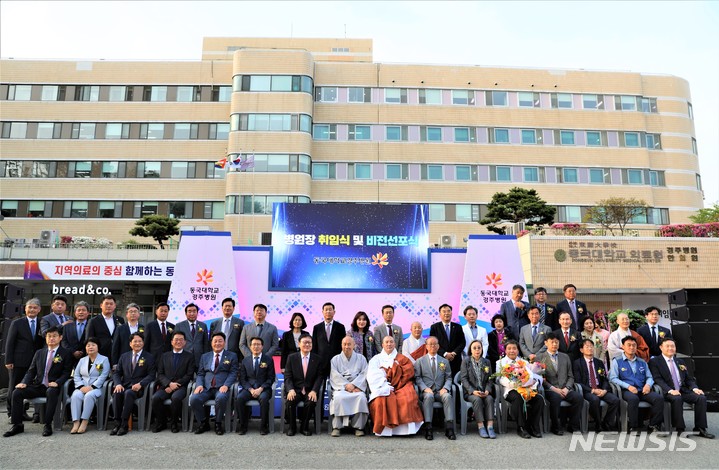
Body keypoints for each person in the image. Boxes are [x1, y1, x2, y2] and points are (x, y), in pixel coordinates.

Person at [3, 326, 73, 437]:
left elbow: (66, 373)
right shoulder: (39, 353)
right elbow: (31, 371)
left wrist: (58, 382)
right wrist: (24, 382)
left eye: (54, 336)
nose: (51, 338)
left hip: (54, 386)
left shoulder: (66, 353)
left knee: (51, 391)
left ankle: (48, 424)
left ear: (60, 337)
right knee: (17, 392)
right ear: (45, 338)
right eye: (49, 336)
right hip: (39, 385)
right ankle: (17, 425)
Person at [648, 338, 714, 438]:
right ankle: (680, 428)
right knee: (677, 398)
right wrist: (670, 390)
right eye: (667, 346)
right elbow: (657, 379)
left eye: (673, 346)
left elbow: (688, 379)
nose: (670, 348)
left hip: (682, 390)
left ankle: (700, 428)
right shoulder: (655, 362)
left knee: (701, 398)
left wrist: (694, 388)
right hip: (667, 391)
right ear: (661, 347)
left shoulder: (680, 361)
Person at [367, 335, 424, 437]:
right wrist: (385, 383)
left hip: (401, 384)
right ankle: (385, 430)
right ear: (382, 344)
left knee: (408, 398)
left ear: (395, 344)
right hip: (383, 385)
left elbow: (408, 372)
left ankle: (407, 430)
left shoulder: (402, 358)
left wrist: (395, 376)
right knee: (381, 400)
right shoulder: (376, 359)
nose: (389, 344)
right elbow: (372, 375)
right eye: (387, 342)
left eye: (391, 342)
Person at [609, 335, 663, 434]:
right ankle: (633, 426)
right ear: (623, 347)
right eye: (628, 345)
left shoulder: (642, 362)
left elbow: (649, 377)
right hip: (627, 390)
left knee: (658, 398)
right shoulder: (617, 361)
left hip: (642, 389)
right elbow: (613, 378)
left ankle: (653, 425)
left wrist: (648, 385)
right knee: (633, 399)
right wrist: (628, 386)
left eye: (634, 345)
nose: (631, 347)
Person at [190, 332, 239, 435]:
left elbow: (233, 372)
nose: (217, 343)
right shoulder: (205, 356)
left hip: (222, 387)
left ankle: (218, 423)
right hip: (206, 388)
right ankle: (203, 423)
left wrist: (226, 385)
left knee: (221, 398)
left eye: (220, 341)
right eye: (215, 341)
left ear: (224, 343)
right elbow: (200, 373)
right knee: (194, 399)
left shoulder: (232, 356)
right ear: (211, 343)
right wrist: (199, 385)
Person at [4, 298, 44, 420]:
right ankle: (12, 413)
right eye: (29, 307)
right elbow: (10, 343)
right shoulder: (17, 323)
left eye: (35, 307)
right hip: (18, 361)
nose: (32, 310)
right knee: (14, 387)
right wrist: (8, 360)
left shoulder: (42, 322)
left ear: (39, 310)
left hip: (35, 362)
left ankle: (24, 412)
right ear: (25, 309)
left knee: (30, 387)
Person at [495, 340, 544, 439]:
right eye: (509, 349)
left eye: (514, 348)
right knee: (518, 398)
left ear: (518, 350)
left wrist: (533, 382)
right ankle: (521, 427)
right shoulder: (500, 362)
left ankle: (533, 426)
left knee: (539, 399)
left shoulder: (524, 362)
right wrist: (515, 384)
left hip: (526, 389)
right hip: (510, 390)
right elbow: (499, 379)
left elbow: (532, 375)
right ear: (505, 350)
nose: (512, 351)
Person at [110, 332, 156, 436]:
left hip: (139, 389)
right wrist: (118, 384)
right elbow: (117, 372)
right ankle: (117, 423)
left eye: (140, 341)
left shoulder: (149, 357)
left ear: (143, 343)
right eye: (135, 341)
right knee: (117, 393)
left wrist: (141, 383)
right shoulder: (124, 356)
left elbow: (151, 375)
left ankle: (124, 424)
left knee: (129, 393)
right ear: (130, 343)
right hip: (125, 385)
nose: (137, 343)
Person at [537, 332, 582, 435]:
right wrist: (554, 389)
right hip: (550, 390)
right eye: (552, 342)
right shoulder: (539, 358)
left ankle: (573, 425)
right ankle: (556, 426)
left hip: (565, 389)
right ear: (546, 343)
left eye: (556, 342)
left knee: (578, 398)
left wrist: (567, 388)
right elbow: (541, 379)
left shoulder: (565, 357)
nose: (554, 345)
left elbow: (571, 376)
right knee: (555, 398)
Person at [151, 331, 195, 433]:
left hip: (181, 386)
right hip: (166, 386)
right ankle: (161, 422)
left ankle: (174, 423)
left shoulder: (189, 356)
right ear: (171, 342)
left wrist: (175, 385)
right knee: (156, 398)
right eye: (176, 339)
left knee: (176, 398)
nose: (178, 342)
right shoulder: (164, 356)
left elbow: (189, 375)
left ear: (185, 342)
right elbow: (160, 373)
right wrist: (169, 384)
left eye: (181, 340)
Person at [573, 338, 619, 432]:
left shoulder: (599, 362)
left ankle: (606, 422)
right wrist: (592, 390)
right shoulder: (577, 363)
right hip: (588, 390)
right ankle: (598, 424)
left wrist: (605, 390)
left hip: (600, 388)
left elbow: (604, 379)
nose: (590, 348)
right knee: (595, 399)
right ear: (581, 350)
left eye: (591, 346)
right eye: (587, 347)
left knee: (615, 400)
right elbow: (578, 382)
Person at [415, 336, 456, 440]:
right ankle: (428, 427)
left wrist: (446, 388)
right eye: (430, 344)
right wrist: (424, 388)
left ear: (438, 346)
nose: (433, 346)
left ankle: (449, 427)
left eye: (435, 344)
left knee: (447, 396)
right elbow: (417, 378)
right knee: (428, 397)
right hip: (427, 391)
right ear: (426, 346)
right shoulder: (420, 361)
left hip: (440, 391)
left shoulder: (444, 361)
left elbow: (449, 377)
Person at [284, 334, 323, 436]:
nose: (307, 344)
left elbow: (319, 377)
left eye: (309, 342)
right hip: (295, 389)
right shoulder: (291, 358)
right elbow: (288, 376)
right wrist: (290, 389)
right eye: (304, 342)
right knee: (290, 401)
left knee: (310, 402)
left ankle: (304, 427)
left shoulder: (317, 359)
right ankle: (292, 427)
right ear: (299, 344)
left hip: (310, 390)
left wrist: (314, 390)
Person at [329, 336, 369, 437]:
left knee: (361, 398)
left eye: (349, 344)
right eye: (345, 344)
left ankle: (358, 427)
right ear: (341, 345)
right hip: (341, 387)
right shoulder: (335, 359)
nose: (347, 346)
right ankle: (337, 427)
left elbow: (364, 374)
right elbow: (334, 376)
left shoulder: (361, 358)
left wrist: (354, 385)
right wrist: (346, 386)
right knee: (338, 398)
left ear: (354, 345)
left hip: (357, 387)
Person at [69, 337, 110, 434]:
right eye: (88, 345)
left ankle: (84, 421)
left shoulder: (104, 359)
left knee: (89, 395)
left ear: (98, 347)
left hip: (97, 388)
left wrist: (92, 387)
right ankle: (76, 422)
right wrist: (80, 387)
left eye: (93, 345)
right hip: (82, 387)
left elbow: (104, 375)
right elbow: (76, 375)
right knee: (75, 395)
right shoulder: (82, 360)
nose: (90, 347)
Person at [236, 336, 276, 435]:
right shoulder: (245, 360)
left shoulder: (268, 360)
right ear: (250, 347)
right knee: (240, 398)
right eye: (254, 344)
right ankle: (242, 425)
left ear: (262, 347)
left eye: (258, 344)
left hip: (264, 388)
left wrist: (261, 388)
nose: (256, 346)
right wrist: (250, 389)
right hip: (249, 388)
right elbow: (242, 379)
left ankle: (263, 426)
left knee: (264, 399)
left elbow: (270, 378)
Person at [460, 339, 496, 438]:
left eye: (479, 348)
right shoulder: (466, 361)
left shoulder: (486, 362)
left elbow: (490, 379)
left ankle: (490, 426)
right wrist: (472, 391)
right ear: (470, 350)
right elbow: (463, 379)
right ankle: (481, 426)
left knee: (489, 399)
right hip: (471, 392)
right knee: (477, 399)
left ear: (482, 349)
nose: (477, 350)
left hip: (484, 391)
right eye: (474, 348)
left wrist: (488, 390)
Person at [429, 304, 465, 377]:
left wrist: (454, 353)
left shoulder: (458, 327)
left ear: (451, 313)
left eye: (448, 311)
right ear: (440, 314)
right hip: (441, 359)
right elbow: (432, 344)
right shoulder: (435, 327)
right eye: (444, 311)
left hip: (455, 359)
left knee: (456, 381)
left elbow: (462, 342)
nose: (446, 313)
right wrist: (445, 354)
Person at [311, 302, 346, 377]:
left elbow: (343, 344)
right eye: (326, 310)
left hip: (336, 361)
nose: (328, 312)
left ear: (334, 312)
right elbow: (314, 345)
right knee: (320, 384)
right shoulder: (317, 328)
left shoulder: (340, 327)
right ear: (322, 312)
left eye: (330, 310)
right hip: (320, 361)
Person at [85, 294, 124, 359]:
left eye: (111, 304)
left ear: (115, 306)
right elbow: (89, 340)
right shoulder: (93, 321)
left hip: (117, 355)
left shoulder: (120, 320)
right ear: (101, 305)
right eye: (106, 304)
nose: (109, 306)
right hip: (99, 355)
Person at [61, 301, 90, 366]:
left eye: (83, 310)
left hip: (86, 357)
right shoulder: (67, 326)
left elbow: (93, 340)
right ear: (75, 313)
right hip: (69, 358)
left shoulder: (91, 325)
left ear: (88, 313)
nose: (81, 312)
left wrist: (83, 352)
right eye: (79, 310)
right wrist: (73, 352)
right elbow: (64, 342)